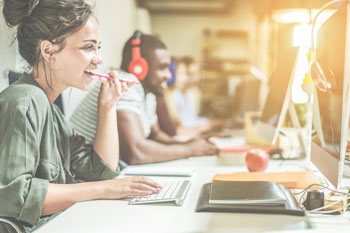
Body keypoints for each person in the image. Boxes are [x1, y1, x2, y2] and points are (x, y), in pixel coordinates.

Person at [0, 1, 160, 232]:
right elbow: (15, 197)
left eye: (98, 48)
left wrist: (107, 105)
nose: (99, 59)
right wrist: (105, 189)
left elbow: (101, 170)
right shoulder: (24, 100)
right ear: (48, 51)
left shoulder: (50, 109)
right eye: (88, 47)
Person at [70, 31, 218, 164]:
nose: (168, 75)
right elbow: (136, 152)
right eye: (162, 67)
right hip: (80, 169)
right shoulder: (124, 83)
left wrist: (190, 143)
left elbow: (155, 135)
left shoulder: (147, 92)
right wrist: (191, 149)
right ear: (138, 67)